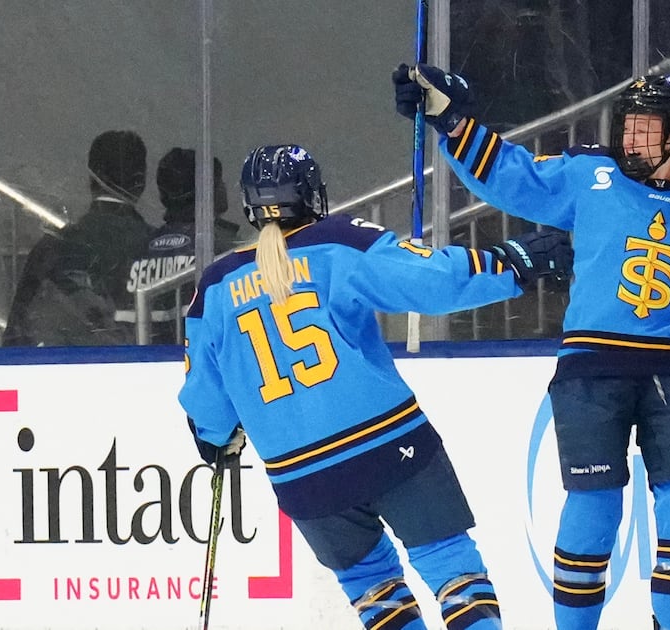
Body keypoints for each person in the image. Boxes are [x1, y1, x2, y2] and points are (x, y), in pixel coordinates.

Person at [178, 144, 572, 630]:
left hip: (301, 476)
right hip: (388, 444)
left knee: (375, 590)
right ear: (309, 193)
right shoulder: (338, 242)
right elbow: (430, 280)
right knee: (451, 567)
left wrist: (214, 439)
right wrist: (514, 262)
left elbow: (206, 399)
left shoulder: (214, 287)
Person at [396, 67, 670, 630]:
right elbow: (513, 176)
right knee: (594, 503)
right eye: (629, 125)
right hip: (591, 368)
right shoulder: (591, 174)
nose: (631, 139)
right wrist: (452, 121)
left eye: (646, 128)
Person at [2, 130, 153, 347]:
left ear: (91, 179)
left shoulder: (51, 248)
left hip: (59, 363)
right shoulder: (155, 246)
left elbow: (15, 337)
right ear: (141, 182)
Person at [120, 147, 241, 344]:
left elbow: (120, 330)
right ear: (208, 190)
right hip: (201, 359)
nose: (224, 187)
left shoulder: (137, 252)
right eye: (219, 181)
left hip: (145, 360)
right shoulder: (226, 251)